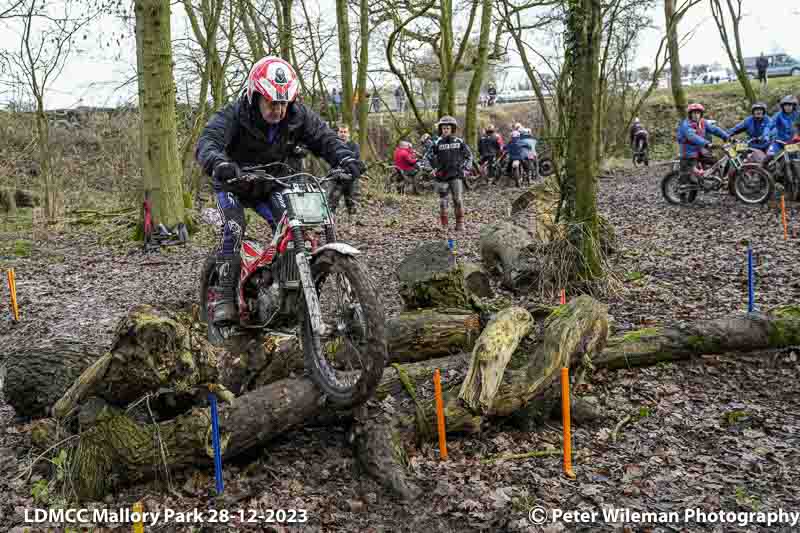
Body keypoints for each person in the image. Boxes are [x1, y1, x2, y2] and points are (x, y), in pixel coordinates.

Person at [195, 56, 362, 327]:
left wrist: (346, 158)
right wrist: (220, 163)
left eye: (284, 102)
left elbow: (325, 138)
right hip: (233, 182)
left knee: (292, 232)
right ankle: (224, 297)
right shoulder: (234, 114)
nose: (279, 110)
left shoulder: (297, 116)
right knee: (234, 228)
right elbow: (208, 141)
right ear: (255, 95)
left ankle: (282, 291)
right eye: (272, 102)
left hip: (272, 182)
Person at [424, 116, 473, 231]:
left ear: (452, 129)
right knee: (443, 201)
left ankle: (460, 223)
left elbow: (469, 156)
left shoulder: (459, 142)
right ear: (441, 129)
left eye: (448, 128)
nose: (445, 130)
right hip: (441, 176)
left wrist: (466, 169)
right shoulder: (436, 143)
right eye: (443, 128)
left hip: (456, 174)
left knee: (458, 199)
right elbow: (426, 158)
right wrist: (430, 169)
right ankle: (444, 225)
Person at [676, 103, 730, 190]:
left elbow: (714, 129)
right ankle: (683, 193)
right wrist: (706, 143)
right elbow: (692, 136)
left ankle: (712, 181)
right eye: (694, 113)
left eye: (698, 113)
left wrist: (726, 136)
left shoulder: (703, 122)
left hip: (700, 150)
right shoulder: (686, 125)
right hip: (689, 152)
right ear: (690, 114)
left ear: (701, 114)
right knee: (688, 173)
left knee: (715, 162)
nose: (696, 115)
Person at [328, 125, 362, 215]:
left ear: (348, 134)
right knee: (331, 203)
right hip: (337, 179)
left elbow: (355, 160)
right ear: (338, 133)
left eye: (345, 132)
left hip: (350, 178)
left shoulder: (354, 146)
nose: (343, 134)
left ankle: (352, 226)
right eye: (341, 132)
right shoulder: (333, 145)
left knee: (351, 203)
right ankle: (330, 226)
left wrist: (347, 170)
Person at [764, 95, 800, 164]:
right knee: (769, 155)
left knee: (796, 160)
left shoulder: (798, 114)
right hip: (779, 142)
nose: (788, 107)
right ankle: (760, 170)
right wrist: (766, 135)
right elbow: (768, 126)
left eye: (790, 105)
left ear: (793, 106)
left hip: (793, 143)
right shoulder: (778, 115)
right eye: (785, 105)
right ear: (782, 106)